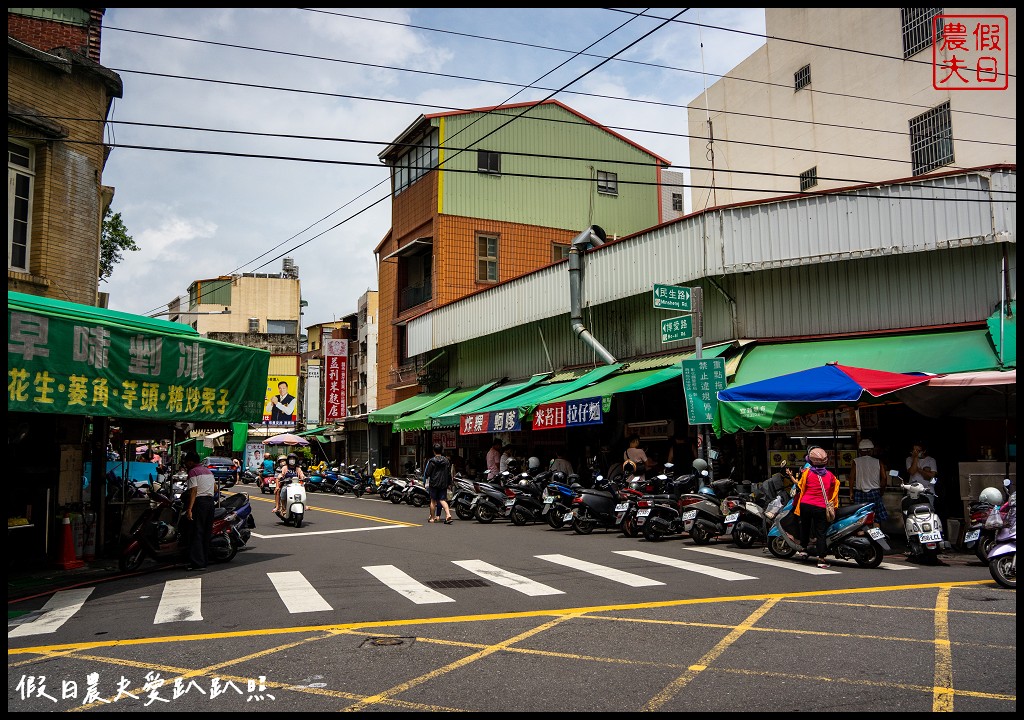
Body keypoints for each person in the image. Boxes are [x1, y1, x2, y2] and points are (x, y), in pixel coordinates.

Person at [792, 446, 840, 569]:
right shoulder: (830, 475)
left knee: (805, 526)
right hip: (820, 506)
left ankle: (803, 548)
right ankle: (821, 559)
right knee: (820, 533)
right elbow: (835, 487)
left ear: (811, 461)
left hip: (805, 504)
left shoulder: (807, 473)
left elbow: (801, 486)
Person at [182, 450, 216, 571]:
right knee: (206, 532)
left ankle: (197, 563)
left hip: (199, 503)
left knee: (196, 532)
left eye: (186, 462)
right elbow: (215, 488)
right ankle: (204, 560)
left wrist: (189, 508)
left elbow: (193, 491)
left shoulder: (193, 472)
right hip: (210, 503)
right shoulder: (208, 471)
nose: (185, 465)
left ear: (190, 462)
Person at [849, 438, 888, 522]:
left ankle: (862, 532)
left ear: (860, 451)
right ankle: (877, 533)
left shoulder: (856, 462)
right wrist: (882, 491)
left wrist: (851, 492)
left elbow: (851, 477)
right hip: (874, 492)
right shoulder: (878, 462)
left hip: (860, 493)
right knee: (877, 518)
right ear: (871, 451)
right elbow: (884, 478)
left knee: (859, 517)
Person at [423, 443, 453, 524]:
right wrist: (450, 483)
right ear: (442, 450)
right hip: (443, 483)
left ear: (434, 451)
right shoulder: (446, 461)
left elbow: (428, 473)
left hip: (434, 483)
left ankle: (432, 518)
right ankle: (448, 514)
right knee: (443, 500)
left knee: (433, 500)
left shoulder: (432, 461)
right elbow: (449, 473)